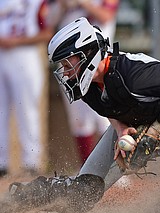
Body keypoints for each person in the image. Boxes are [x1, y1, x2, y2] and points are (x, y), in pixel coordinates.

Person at [1, 17, 160, 213]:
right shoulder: (88, 86)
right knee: (82, 195)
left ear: (88, 53)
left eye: (67, 63)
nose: (65, 71)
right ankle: (18, 200)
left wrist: (156, 130)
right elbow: (111, 108)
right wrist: (120, 130)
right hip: (137, 127)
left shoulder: (131, 72)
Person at [48, 0, 120, 164]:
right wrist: (62, 6)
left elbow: (106, 16)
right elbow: (48, 22)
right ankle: (87, 170)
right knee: (79, 119)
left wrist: (82, 2)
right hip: (69, 62)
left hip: (98, 60)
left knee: (106, 117)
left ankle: (116, 169)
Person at [0, 0, 54, 177]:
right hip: (2, 56)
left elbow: (47, 32)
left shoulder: (37, 2)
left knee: (27, 110)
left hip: (25, 55)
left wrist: (17, 41)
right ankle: (2, 164)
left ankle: (31, 163)